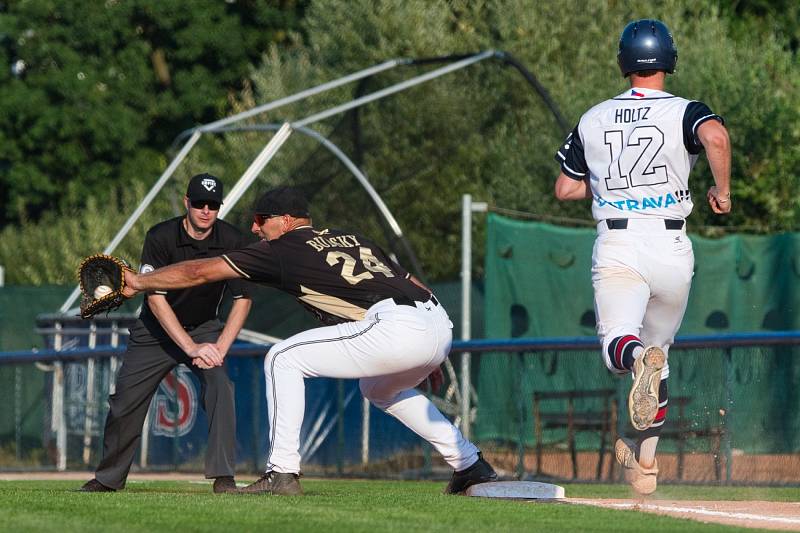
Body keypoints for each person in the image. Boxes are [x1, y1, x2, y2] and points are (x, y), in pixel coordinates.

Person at [117, 186, 497, 495]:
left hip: (396, 326)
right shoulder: (352, 238)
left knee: (283, 357)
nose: (254, 229)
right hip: (434, 321)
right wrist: (425, 353)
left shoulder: (283, 248)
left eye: (260, 221)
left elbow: (201, 271)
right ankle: (470, 464)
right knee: (379, 390)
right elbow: (412, 282)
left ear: (283, 222)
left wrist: (139, 282)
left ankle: (281, 472)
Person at [553, 19, 731, 494]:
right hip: (673, 246)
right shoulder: (685, 110)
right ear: (668, 61)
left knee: (619, 347)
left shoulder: (593, 118)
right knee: (662, 356)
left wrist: (613, 182)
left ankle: (635, 359)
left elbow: (566, 187)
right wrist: (722, 189)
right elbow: (715, 138)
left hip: (619, 243)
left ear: (623, 62)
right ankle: (647, 464)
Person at [79, 173, 253, 494]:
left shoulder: (231, 240)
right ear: (187, 202)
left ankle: (224, 477)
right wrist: (190, 348)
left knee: (221, 387)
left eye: (212, 205)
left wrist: (220, 348)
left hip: (205, 327)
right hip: (155, 330)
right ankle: (107, 479)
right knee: (125, 401)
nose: (205, 210)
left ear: (219, 208)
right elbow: (155, 299)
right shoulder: (161, 237)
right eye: (199, 203)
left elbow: (243, 299)